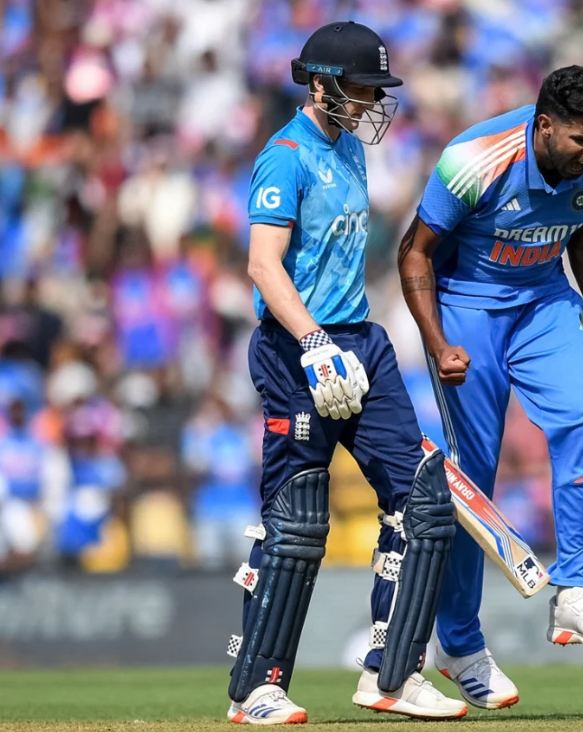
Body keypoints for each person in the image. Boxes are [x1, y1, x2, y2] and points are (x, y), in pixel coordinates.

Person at [226, 21, 466, 724]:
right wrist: (311, 342)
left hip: (362, 339)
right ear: (322, 83)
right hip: (295, 348)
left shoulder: (351, 152)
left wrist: (343, 341)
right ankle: (257, 690)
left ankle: (392, 675)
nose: (371, 101)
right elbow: (263, 265)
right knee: (297, 520)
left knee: (423, 505)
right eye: (362, 87)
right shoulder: (285, 156)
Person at [398, 66, 583, 710]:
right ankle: (459, 644)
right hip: (466, 310)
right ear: (545, 124)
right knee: (473, 482)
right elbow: (412, 253)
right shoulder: (472, 160)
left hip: (544, 306)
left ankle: (572, 596)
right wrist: (439, 340)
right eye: (581, 138)